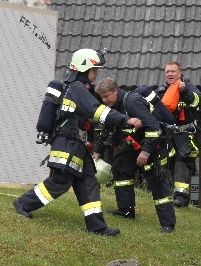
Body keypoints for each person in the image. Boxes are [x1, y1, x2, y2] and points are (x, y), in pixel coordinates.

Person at [13, 49, 142, 236]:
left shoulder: (77, 88)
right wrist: (126, 119)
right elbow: (97, 111)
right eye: (94, 69)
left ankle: (97, 227)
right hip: (67, 143)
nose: (96, 74)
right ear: (84, 68)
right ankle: (23, 203)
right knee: (60, 182)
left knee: (89, 183)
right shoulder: (76, 88)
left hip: (76, 144)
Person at [93, 78, 176, 233]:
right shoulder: (113, 106)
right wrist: (97, 151)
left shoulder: (132, 102)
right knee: (120, 168)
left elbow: (154, 128)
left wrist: (146, 152)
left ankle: (168, 223)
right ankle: (126, 210)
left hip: (153, 145)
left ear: (116, 90)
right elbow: (108, 130)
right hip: (134, 144)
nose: (104, 100)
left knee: (157, 181)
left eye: (106, 96)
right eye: (102, 97)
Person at [157, 61, 201, 207]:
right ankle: (175, 195)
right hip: (170, 135)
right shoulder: (162, 90)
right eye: (167, 72)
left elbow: (197, 102)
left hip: (187, 134)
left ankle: (181, 197)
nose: (170, 74)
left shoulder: (189, 87)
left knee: (182, 162)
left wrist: (185, 92)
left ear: (179, 73)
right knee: (171, 163)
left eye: (173, 71)